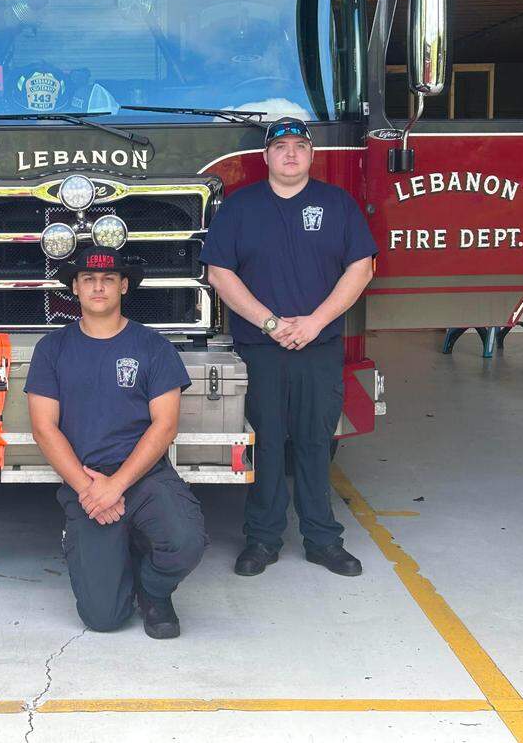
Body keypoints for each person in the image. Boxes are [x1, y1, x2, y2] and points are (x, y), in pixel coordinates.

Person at [201, 117, 377, 578]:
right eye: (281, 148)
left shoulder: (337, 205)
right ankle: (262, 540)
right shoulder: (240, 208)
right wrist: (271, 322)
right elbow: (220, 273)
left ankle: (322, 540)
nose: (291, 154)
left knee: (316, 444)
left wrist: (316, 323)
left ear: (312, 155)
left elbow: (362, 267)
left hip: (318, 348)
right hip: (261, 347)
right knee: (268, 445)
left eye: (300, 146)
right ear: (266, 157)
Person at [26, 246, 207, 639]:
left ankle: (154, 590)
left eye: (108, 280)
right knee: (103, 618)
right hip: (86, 483)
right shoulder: (51, 350)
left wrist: (116, 485)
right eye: (88, 279)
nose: (98, 287)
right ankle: (110, 554)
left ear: (124, 286)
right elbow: (44, 428)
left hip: (143, 478)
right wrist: (90, 488)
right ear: (74, 287)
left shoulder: (152, 346)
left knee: (186, 542)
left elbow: (165, 425)